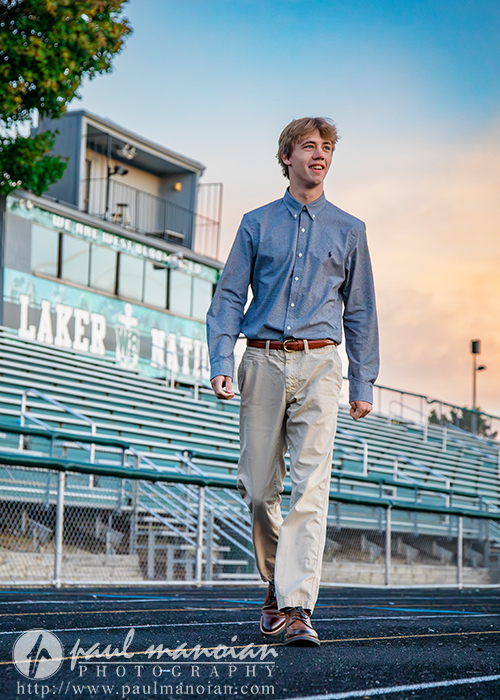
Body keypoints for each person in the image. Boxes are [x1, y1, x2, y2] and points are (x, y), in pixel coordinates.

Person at [206, 117, 379, 646]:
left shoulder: (350, 230)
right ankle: (277, 583)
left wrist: (363, 381)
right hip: (260, 362)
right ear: (287, 157)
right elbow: (230, 296)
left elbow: (361, 310)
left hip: (321, 366)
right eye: (309, 146)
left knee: (311, 488)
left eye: (327, 147)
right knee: (259, 489)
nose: (320, 154)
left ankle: (298, 606)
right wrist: (219, 359)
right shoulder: (256, 223)